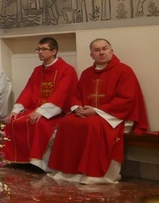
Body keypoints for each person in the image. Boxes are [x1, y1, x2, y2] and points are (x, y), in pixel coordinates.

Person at [48, 39, 149, 184]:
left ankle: (95, 174)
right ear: (91, 55)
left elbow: (127, 99)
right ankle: (68, 172)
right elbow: (76, 95)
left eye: (105, 49)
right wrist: (78, 108)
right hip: (90, 114)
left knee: (93, 125)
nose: (101, 52)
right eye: (97, 50)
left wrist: (96, 111)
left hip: (114, 116)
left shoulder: (124, 71)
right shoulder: (87, 73)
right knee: (66, 122)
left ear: (111, 51)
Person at [0, 37, 78, 170]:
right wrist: (16, 110)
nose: (40, 52)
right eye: (38, 49)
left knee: (39, 123)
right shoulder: (38, 70)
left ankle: (38, 163)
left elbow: (62, 94)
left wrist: (42, 112)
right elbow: (28, 90)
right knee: (12, 121)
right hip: (35, 109)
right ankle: (15, 159)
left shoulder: (67, 70)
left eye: (44, 49)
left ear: (54, 51)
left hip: (56, 112)